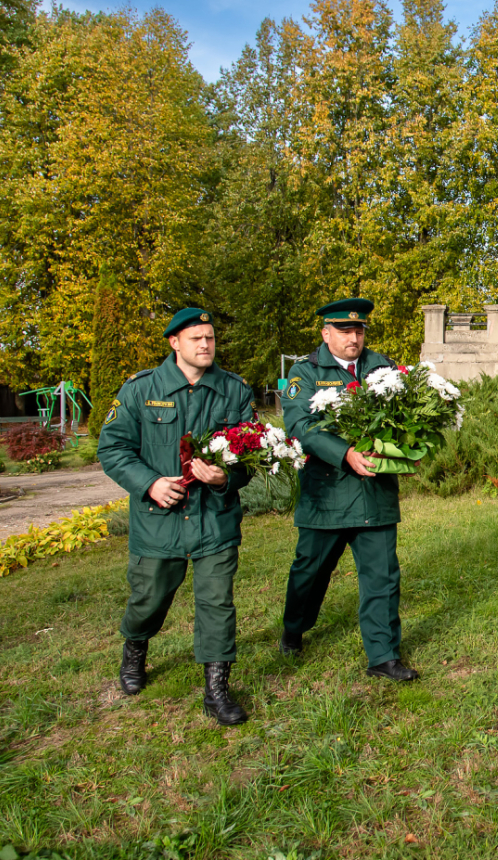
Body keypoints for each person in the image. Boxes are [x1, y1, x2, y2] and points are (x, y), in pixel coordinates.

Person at [97, 308, 257, 726]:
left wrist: (226, 476)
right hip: (158, 520)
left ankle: (216, 689)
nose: (205, 345)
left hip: (215, 519)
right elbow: (112, 448)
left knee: (217, 603)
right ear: (174, 343)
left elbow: (253, 453)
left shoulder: (234, 390)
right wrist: (149, 483)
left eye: (210, 338)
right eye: (196, 339)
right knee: (148, 599)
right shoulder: (140, 389)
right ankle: (135, 650)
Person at [278, 298, 416, 682]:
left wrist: (408, 450)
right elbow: (300, 426)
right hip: (327, 493)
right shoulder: (304, 373)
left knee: (382, 576)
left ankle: (383, 656)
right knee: (311, 571)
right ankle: (294, 627)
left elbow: (404, 417)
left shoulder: (383, 367)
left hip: (375, 491)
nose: (353, 338)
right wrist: (345, 454)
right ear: (326, 334)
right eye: (344, 331)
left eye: (358, 331)